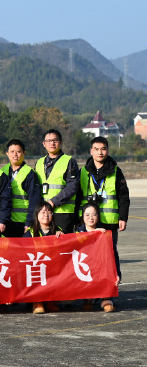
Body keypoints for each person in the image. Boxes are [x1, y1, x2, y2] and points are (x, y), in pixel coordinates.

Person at [76, 136, 129, 282]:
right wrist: (76, 219)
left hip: (108, 221)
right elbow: (77, 196)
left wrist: (123, 217)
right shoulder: (83, 171)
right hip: (88, 221)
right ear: (91, 151)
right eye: (97, 149)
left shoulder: (116, 171)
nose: (100, 152)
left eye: (103, 149)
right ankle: (91, 285)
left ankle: (112, 284)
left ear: (108, 151)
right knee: (87, 254)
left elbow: (124, 196)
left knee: (110, 252)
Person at [34, 129, 79, 234]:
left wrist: (54, 202)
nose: (52, 143)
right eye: (49, 141)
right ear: (44, 144)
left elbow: (72, 186)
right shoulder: (39, 163)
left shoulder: (69, 161)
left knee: (62, 242)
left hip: (62, 213)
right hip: (43, 213)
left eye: (55, 140)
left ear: (61, 142)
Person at [76, 203, 117, 312]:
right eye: (87, 215)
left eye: (94, 214)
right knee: (87, 302)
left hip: (100, 268)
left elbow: (113, 255)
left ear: (98, 216)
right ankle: (89, 298)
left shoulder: (104, 233)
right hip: (85, 268)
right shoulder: (76, 233)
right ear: (82, 217)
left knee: (106, 274)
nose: (91, 218)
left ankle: (106, 298)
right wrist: (92, 233)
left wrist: (116, 273)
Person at [2, 139, 41, 238]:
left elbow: (34, 201)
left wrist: (29, 222)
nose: (15, 155)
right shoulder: (2, 172)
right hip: (5, 222)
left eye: (18, 152)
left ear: (24, 153)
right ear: (7, 153)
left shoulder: (29, 173)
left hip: (22, 223)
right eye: (12, 152)